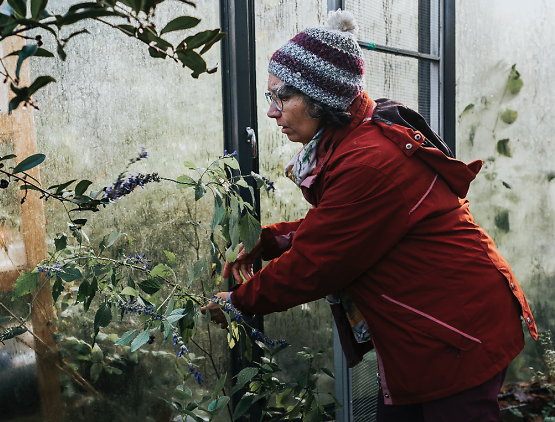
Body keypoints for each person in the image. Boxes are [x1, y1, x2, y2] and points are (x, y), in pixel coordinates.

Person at [203, 10, 537, 422]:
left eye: (281, 97)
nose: (272, 112)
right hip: (428, 330)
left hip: (455, 330)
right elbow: (343, 225)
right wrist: (268, 241)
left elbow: (319, 263)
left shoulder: (369, 161)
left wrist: (239, 301)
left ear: (321, 99)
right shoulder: (353, 138)